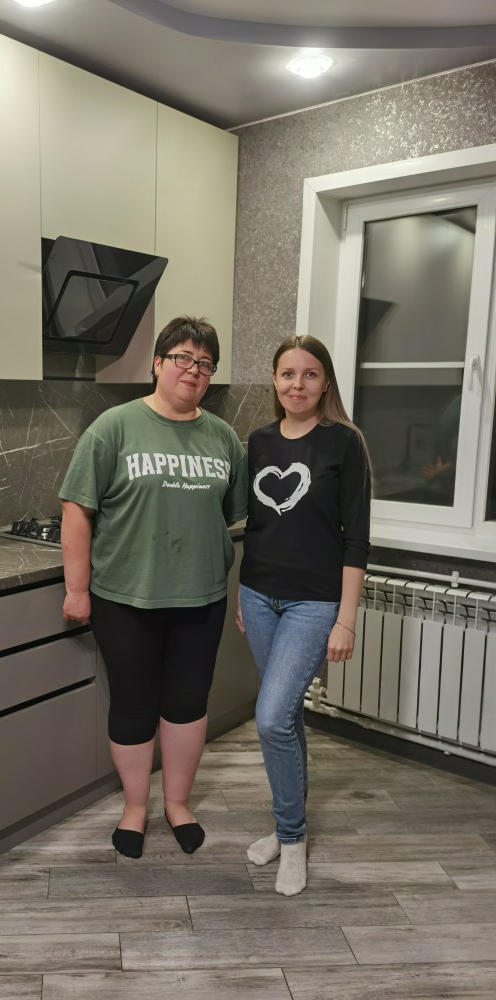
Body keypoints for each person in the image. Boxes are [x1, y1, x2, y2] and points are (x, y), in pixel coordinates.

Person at [60, 316, 247, 859]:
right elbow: (76, 509)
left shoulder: (223, 437)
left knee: (188, 705)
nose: (194, 370)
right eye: (183, 358)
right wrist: (77, 588)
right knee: (133, 705)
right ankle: (136, 808)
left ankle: (178, 804)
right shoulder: (113, 427)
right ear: (158, 363)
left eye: (205, 363)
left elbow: (230, 515)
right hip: (125, 598)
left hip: (201, 597)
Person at [237, 334, 371, 895]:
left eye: (309, 374)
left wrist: (346, 618)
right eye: (288, 374)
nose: (298, 384)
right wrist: (243, 594)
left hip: (314, 603)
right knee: (286, 718)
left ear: (325, 382)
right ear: (274, 380)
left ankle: (292, 840)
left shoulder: (344, 442)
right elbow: (257, 525)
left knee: (271, 718)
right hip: (257, 596)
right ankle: (285, 826)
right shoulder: (259, 441)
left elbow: (356, 538)